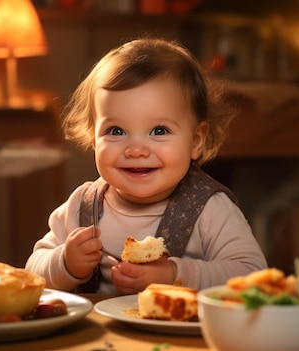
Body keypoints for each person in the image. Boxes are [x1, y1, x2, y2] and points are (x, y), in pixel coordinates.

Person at [25, 37, 267, 295]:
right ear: (93, 139)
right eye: (116, 131)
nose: (136, 150)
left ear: (196, 140)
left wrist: (175, 274)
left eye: (159, 130)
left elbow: (252, 276)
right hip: (99, 335)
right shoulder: (83, 207)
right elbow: (31, 273)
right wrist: (65, 263)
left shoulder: (210, 209)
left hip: (178, 334)